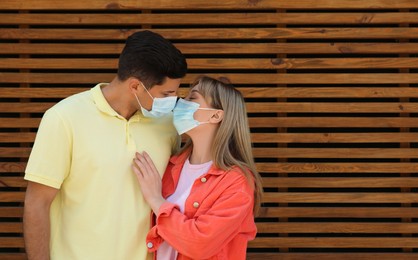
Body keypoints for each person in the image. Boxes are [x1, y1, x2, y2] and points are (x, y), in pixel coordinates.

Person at [23, 30, 187, 260]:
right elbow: (37, 203)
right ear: (135, 87)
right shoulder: (63, 118)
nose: (173, 100)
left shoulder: (167, 125)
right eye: (167, 93)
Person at [132, 76, 263, 259]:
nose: (180, 103)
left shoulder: (238, 183)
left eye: (192, 98)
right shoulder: (170, 166)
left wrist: (156, 199)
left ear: (216, 115)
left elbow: (200, 244)